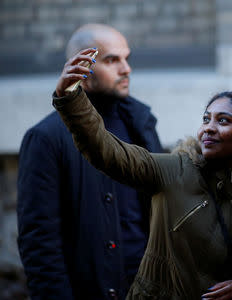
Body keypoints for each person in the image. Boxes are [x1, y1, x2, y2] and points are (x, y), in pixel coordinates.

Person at [51, 48, 232, 299]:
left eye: (223, 121)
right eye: (206, 119)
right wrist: (72, 95)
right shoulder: (175, 171)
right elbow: (107, 150)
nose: (209, 129)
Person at [17, 24, 163, 300]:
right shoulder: (45, 139)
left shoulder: (141, 125)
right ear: (81, 67)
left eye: (126, 58)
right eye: (111, 60)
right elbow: (40, 244)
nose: (126, 69)